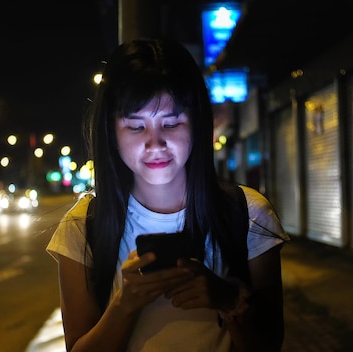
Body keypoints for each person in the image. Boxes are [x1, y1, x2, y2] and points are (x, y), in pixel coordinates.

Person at [47, 38, 289, 352]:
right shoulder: (82, 227)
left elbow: (269, 344)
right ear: (111, 132)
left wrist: (228, 298)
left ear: (198, 123)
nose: (155, 143)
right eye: (136, 127)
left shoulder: (248, 213)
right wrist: (125, 305)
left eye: (171, 123)